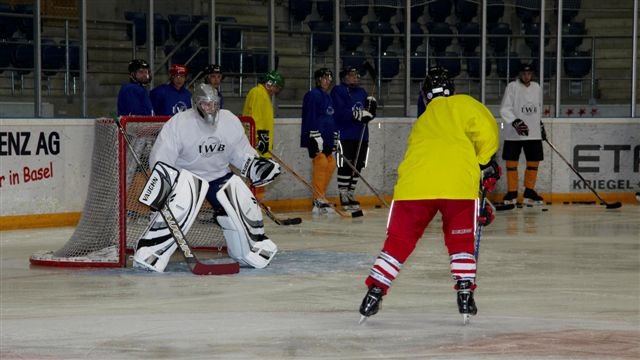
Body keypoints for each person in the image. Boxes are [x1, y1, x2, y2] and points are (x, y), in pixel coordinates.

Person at [358, 67, 501, 323]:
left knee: (398, 243)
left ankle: (374, 293)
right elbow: (488, 132)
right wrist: (483, 162)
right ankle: (465, 293)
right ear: (451, 90)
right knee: (461, 242)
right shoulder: (464, 103)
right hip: (457, 186)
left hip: (413, 188)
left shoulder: (422, 121)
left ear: (425, 95)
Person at [133, 83, 281, 272]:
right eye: (206, 104)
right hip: (186, 177)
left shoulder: (229, 121)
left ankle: (249, 250)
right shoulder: (179, 123)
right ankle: (150, 252)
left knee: (243, 199)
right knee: (181, 202)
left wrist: (256, 166)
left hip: (219, 176)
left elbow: (240, 151)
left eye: (214, 104)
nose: (211, 109)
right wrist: (164, 186)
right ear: (196, 104)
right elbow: (162, 156)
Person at [330, 65, 377, 212]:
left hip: (361, 135)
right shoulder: (338, 90)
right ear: (344, 76)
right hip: (344, 134)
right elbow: (338, 111)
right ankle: (343, 194)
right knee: (345, 165)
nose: (356, 77)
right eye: (353, 74)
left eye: (357, 75)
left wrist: (371, 110)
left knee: (358, 165)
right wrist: (356, 114)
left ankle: (351, 193)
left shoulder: (362, 92)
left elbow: (367, 114)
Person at [499, 62, 546, 206]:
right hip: (514, 133)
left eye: (529, 73)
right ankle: (512, 191)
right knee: (512, 162)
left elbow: (537, 108)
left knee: (534, 161)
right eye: (524, 73)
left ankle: (529, 191)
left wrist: (540, 124)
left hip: (533, 131)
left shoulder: (537, 87)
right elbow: (504, 109)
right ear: (519, 74)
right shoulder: (512, 87)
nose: (527, 76)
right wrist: (515, 122)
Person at [242, 70, 285, 200]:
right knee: (258, 175)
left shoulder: (263, 95)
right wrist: (258, 139)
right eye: (276, 87)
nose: (276, 91)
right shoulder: (258, 93)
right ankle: (253, 203)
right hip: (257, 143)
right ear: (270, 83)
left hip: (261, 142)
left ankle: (257, 202)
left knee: (261, 175)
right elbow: (254, 119)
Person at [300, 68, 338, 215]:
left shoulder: (328, 97)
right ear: (318, 80)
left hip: (327, 137)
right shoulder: (312, 95)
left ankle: (321, 196)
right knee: (321, 162)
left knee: (331, 163)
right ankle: (318, 199)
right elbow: (310, 116)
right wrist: (315, 136)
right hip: (315, 137)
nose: (327, 81)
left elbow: (331, 118)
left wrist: (333, 137)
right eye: (324, 78)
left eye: (329, 78)